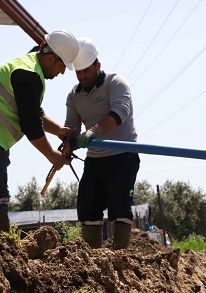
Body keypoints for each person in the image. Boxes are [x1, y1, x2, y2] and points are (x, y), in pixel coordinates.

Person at [0, 30, 79, 233]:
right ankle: (1, 248)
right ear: (50, 58)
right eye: (62, 66)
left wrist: (58, 130)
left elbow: (32, 112)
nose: (62, 72)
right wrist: (52, 155)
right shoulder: (29, 75)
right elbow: (30, 124)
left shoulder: (29, 66)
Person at [64, 37, 140, 250]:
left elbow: (120, 111)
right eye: (78, 72)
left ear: (98, 65)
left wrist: (95, 131)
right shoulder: (74, 95)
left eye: (86, 70)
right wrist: (69, 141)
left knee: (120, 208)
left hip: (123, 157)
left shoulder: (115, 83)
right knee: (88, 207)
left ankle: (119, 257)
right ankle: (94, 262)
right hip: (95, 160)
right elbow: (70, 126)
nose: (82, 76)